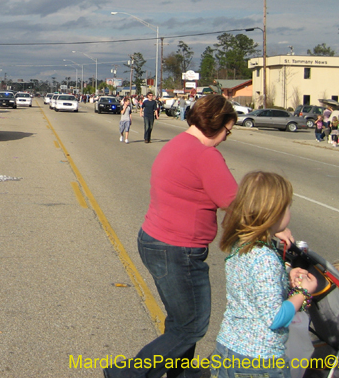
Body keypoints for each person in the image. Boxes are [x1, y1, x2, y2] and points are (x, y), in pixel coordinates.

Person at [105, 94, 239, 378]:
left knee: (181, 319)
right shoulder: (205, 155)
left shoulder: (180, 143)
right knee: (192, 325)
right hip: (178, 249)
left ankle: (181, 375)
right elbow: (235, 202)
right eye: (227, 130)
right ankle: (128, 375)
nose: (226, 137)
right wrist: (276, 225)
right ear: (215, 123)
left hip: (156, 240)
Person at [212, 171, 318, 378]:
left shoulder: (242, 243)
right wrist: (304, 292)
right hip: (257, 361)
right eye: (288, 206)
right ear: (273, 212)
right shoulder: (264, 258)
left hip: (228, 348)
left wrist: (286, 274)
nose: (289, 212)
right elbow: (275, 317)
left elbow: (255, 285)